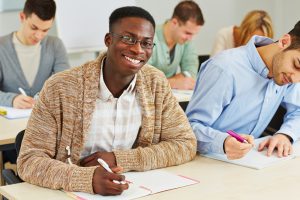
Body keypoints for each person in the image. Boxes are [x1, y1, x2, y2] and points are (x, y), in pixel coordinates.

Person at [17, 6, 196, 195]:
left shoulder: (156, 83)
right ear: (108, 40)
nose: (138, 50)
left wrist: (119, 159)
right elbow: (29, 160)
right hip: (68, 193)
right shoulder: (61, 88)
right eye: (128, 39)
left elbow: (185, 143)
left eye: (146, 43)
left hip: (133, 191)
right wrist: (87, 179)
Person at [186, 21, 300, 160]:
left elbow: (298, 111)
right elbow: (189, 128)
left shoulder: (289, 75)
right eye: (297, 64)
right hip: (205, 160)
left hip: (248, 163)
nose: (296, 79)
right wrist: (223, 142)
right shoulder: (224, 68)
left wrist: (285, 134)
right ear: (284, 42)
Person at [0, 0, 69, 109]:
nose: (39, 35)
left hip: (45, 120)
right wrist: (12, 100)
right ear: (22, 17)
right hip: (10, 122)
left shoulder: (55, 45)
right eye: (34, 28)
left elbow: (65, 85)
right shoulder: (2, 47)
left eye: (45, 30)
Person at [148, 0, 204, 90]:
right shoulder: (148, 37)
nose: (190, 38)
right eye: (187, 33)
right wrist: (172, 82)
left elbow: (191, 72)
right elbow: (142, 77)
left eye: (194, 34)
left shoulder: (187, 40)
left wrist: (168, 81)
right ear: (174, 23)